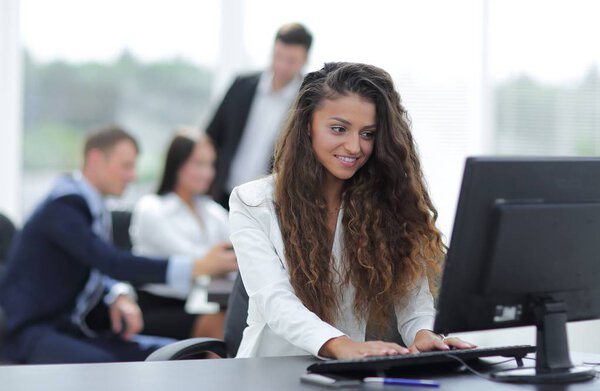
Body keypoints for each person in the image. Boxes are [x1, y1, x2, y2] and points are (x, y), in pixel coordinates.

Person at [229, 62, 475, 359]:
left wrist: (424, 334)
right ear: (308, 125)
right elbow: (274, 300)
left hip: (346, 373)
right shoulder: (253, 201)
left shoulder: (383, 202)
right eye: (338, 129)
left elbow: (414, 302)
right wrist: (342, 345)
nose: (354, 146)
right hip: (269, 370)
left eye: (368, 134)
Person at [0, 126, 236, 364]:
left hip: (77, 329)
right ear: (95, 160)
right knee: (104, 366)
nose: (133, 176)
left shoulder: (95, 206)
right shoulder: (63, 205)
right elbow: (109, 261)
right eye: (126, 166)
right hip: (33, 333)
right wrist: (196, 267)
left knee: (179, 355)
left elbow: (93, 268)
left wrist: (117, 294)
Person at [130, 127, 235, 340]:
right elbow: (193, 262)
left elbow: (238, 245)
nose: (207, 173)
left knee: (234, 318)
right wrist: (216, 262)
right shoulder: (152, 208)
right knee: (220, 323)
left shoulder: (210, 210)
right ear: (176, 164)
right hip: (153, 308)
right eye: (198, 164)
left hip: (198, 304)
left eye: (210, 165)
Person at [207, 22, 313, 209]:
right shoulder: (242, 85)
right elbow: (212, 134)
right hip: (222, 193)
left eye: (291, 60)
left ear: (304, 60)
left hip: (269, 205)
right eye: (278, 56)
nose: (281, 65)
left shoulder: (308, 103)